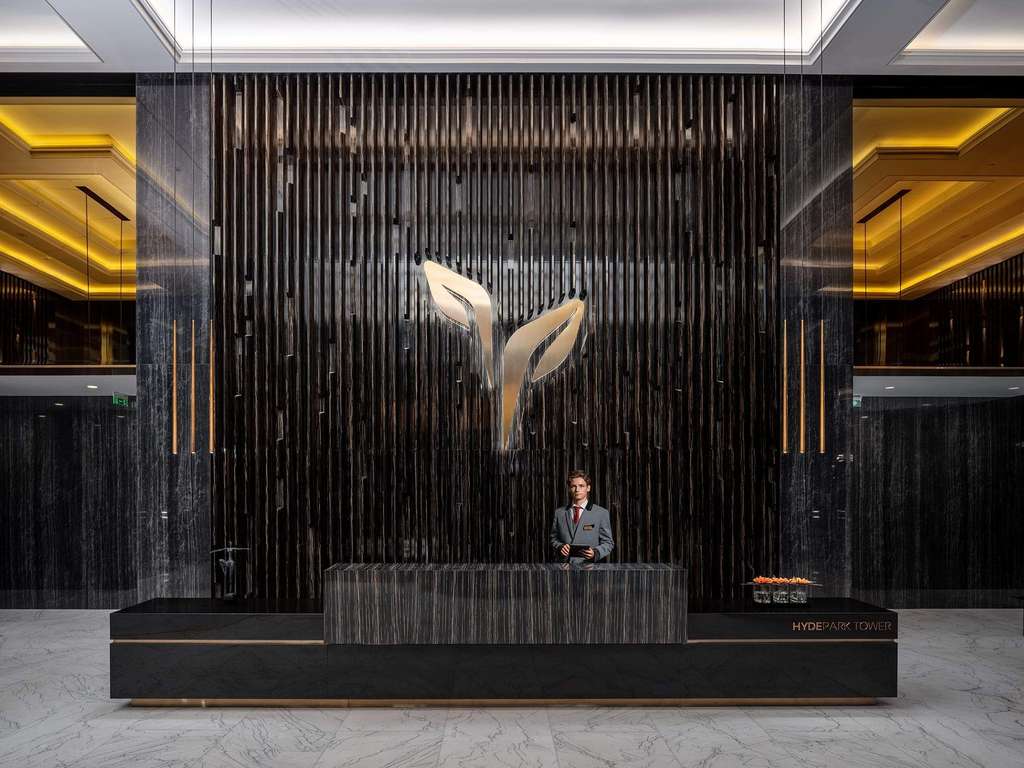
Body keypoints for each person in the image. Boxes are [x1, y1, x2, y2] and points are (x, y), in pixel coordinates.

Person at [549, 470, 614, 564]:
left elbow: (608, 543)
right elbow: (553, 538)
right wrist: (560, 547)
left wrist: (595, 553)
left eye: (581, 486)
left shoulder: (601, 513)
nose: (577, 489)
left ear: (588, 488)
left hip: (589, 567)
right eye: (573, 486)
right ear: (569, 489)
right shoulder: (559, 513)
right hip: (564, 567)